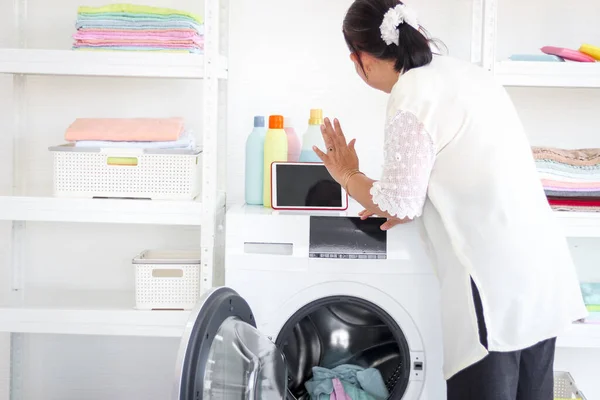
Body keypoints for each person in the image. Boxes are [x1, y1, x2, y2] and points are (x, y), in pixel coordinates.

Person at [312, 1, 587, 399]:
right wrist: (408, 201)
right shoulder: (468, 75)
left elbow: (397, 204)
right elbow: (464, 172)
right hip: (540, 270)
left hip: (491, 284)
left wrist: (348, 174)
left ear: (361, 59)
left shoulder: (412, 91)